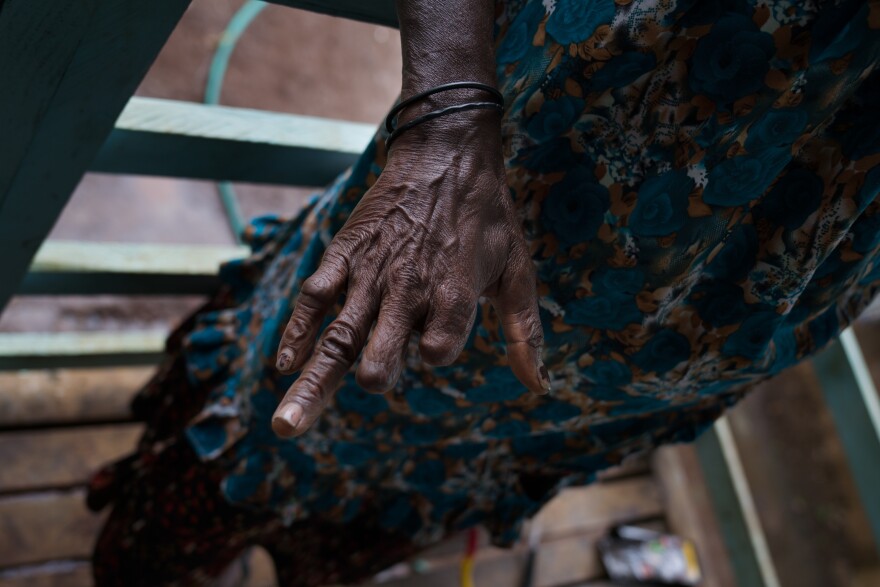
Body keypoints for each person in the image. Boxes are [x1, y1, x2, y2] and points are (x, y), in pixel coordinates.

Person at [89, 0, 880, 584]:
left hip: (690, 351)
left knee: (346, 542)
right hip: (478, 215)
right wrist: (446, 114)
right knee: (227, 466)